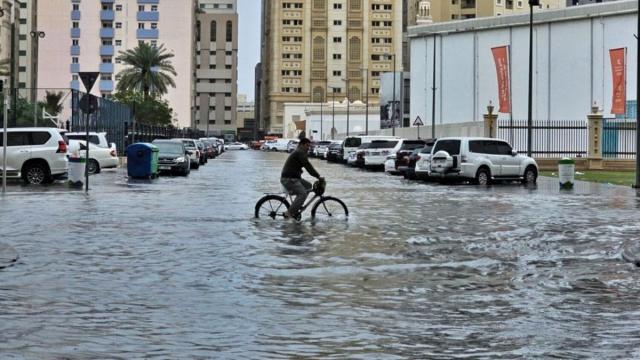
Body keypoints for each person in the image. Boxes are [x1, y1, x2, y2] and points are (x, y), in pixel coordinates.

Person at [280, 137, 323, 219]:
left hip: (294, 178)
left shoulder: (299, 152)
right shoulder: (300, 152)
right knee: (302, 194)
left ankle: (298, 204)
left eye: (309, 146)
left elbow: (307, 166)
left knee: (308, 186)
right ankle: (288, 213)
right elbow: (308, 166)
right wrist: (318, 176)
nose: (308, 148)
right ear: (301, 145)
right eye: (307, 145)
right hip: (289, 179)